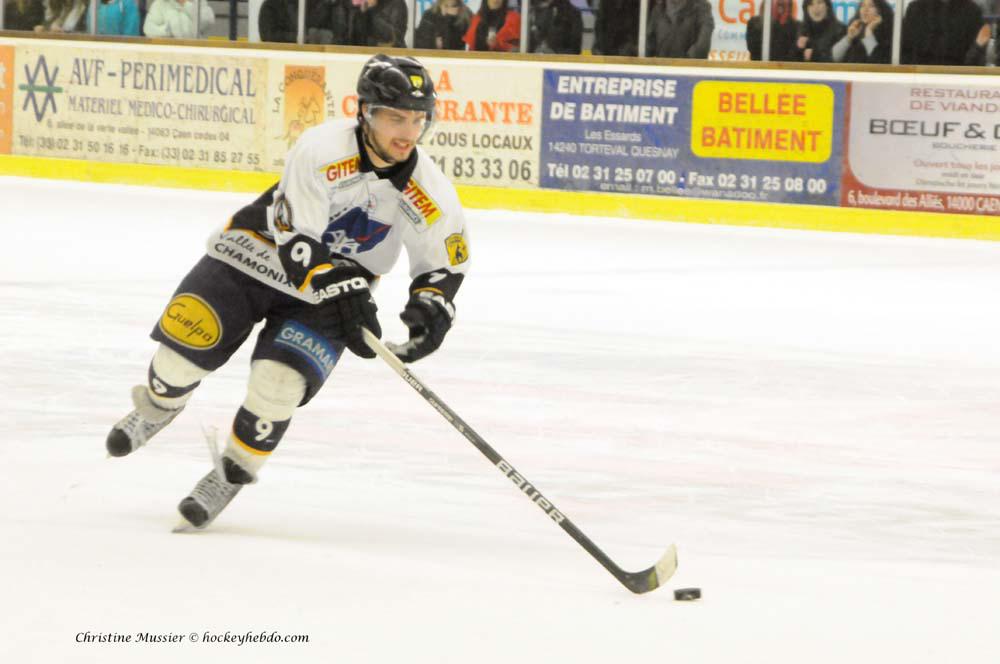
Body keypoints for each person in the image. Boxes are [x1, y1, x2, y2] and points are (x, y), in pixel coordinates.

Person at [106, 55, 470, 530]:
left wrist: (431, 308)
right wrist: (340, 287)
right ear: (365, 112)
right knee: (178, 361)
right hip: (254, 254)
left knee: (278, 385)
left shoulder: (429, 188)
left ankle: (232, 472)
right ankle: (159, 406)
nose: (408, 133)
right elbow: (296, 235)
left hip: (332, 288)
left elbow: (445, 260)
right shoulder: (322, 148)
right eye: (396, 118)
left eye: (418, 120)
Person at [900, 0, 984, 66]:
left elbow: (976, 59)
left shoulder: (973, 12)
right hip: (919, 76)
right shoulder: (915, 9)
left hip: (959, 77)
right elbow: (906, 51)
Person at [831, 0, 894, 64]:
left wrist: (869, 32)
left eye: (871, 6)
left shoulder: (888, 34)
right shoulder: (855, 27)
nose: (865, 9)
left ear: (880, 10)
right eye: (862, 6)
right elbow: (835, 57)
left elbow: (878, 62)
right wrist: (849, 37)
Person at [645, 0, 713, 59]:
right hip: (661, 67)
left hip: (688, 67)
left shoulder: (702, 8)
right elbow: (648, 45)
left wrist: (684, 63)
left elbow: (702, 45)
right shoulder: (657, 10)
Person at [257, 0, 336, 44]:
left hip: (317, 59)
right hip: (281, 59)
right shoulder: (271, 5)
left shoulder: (323, 5)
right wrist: (300, 37)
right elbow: (268, 36)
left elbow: (337, 37)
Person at [338, 0, 408, 47]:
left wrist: (371, 11)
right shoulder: (347, 5)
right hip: (354, 57)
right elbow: (342, 40)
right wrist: (359, 13)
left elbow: (396, 40)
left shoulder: (396, 3)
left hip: (388, 59)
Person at [143, 0, 215, 38]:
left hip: (194, 50)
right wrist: (169, 30)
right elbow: (148, 30)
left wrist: (185, 4)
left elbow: (207, 21)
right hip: (169, 51)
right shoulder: (160, 3)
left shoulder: (198, 2)